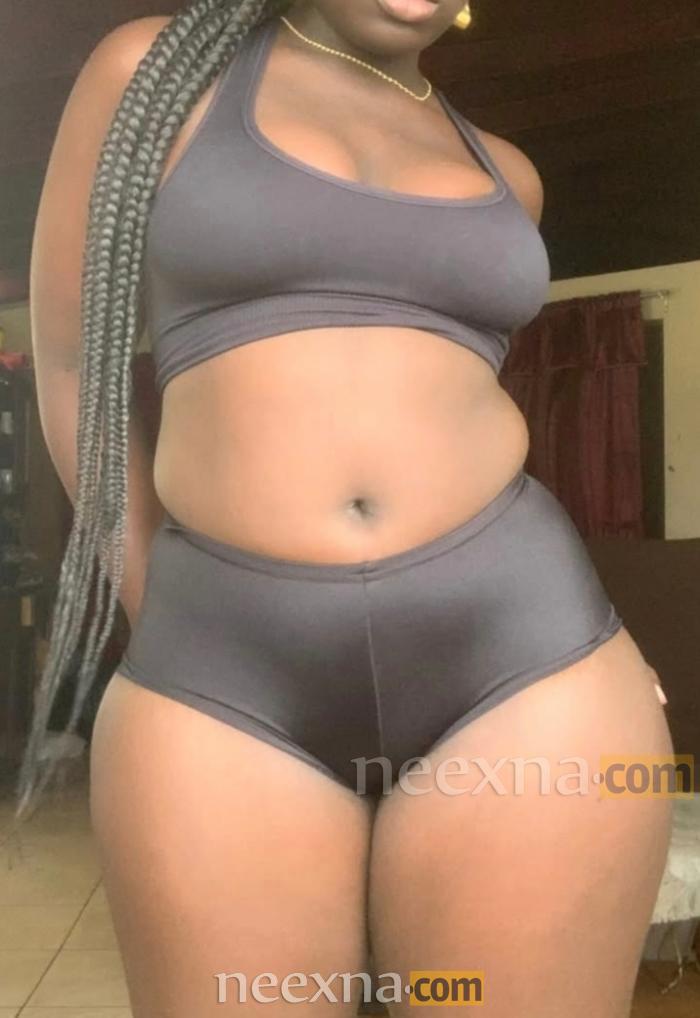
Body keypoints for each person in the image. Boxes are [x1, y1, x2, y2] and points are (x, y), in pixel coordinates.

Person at [18, 0, 673, 1014]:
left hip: (521, 652)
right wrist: (168, 618)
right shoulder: (157, 73)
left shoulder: (509, 172)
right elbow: (70, 366)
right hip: (222, 662)